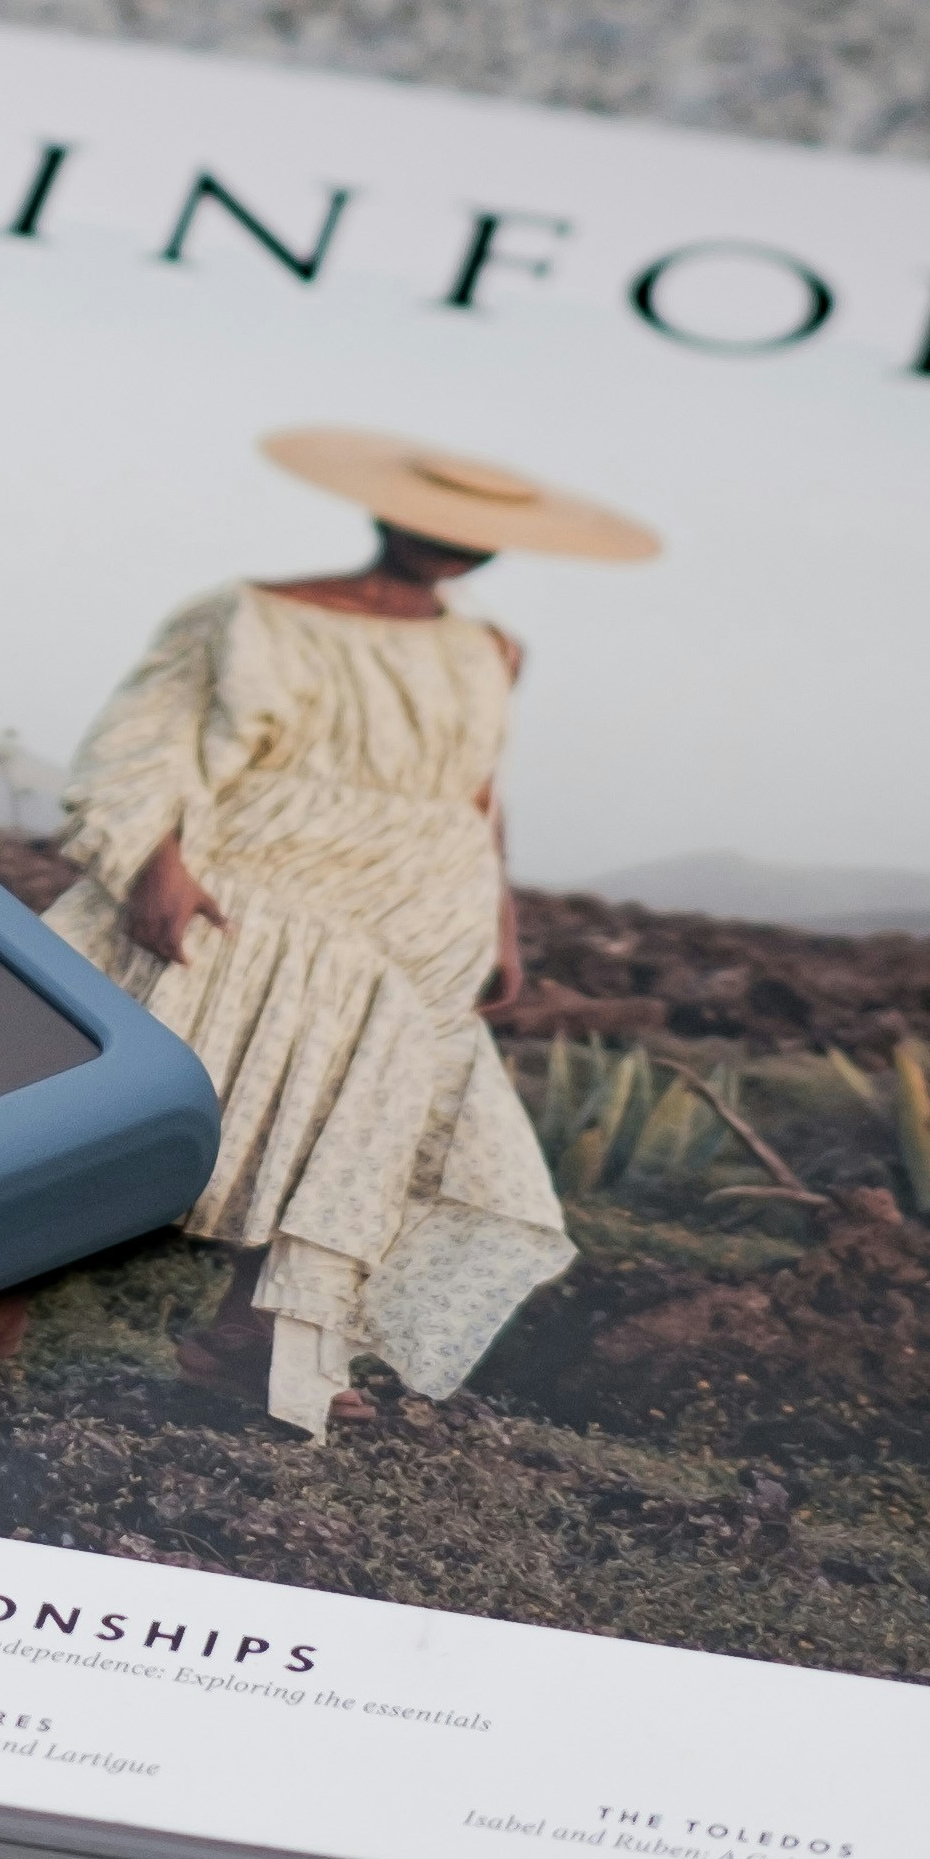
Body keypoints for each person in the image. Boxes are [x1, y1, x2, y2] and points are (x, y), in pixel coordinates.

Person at [43, 425, 656, 1438]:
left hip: (416, 911)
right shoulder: (241, 615)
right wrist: (150, 862)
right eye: (434, 521)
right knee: (110, 1096)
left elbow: (474, 794)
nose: (452, 545)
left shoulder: (490, 649)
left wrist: (497, 925)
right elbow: (135, 746)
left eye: (476, 535)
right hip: (254, 876)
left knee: (348, 1118)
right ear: (383, 512)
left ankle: (250, 1351)